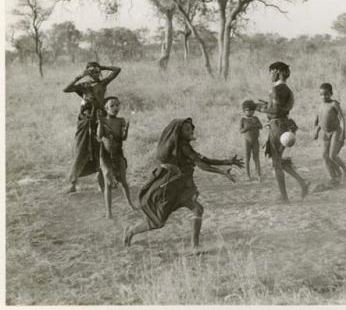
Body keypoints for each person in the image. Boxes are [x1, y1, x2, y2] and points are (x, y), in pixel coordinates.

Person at [124, 118, 243, 249]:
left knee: (198, 209)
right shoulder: (183, 147)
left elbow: (203, 159)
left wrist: (227, 162)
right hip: (171, 188)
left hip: (182, 187)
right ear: (179, 132)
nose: (191, 131)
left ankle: (194, 247)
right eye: (187, 129)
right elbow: (202, 165)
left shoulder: (183, 146)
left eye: (191, 128)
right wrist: (222, 172)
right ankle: (131, 231)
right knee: (158, 222)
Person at [63, 62, 121, 193]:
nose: (94, 74)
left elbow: (117, 70)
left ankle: (102, 182)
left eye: (96, 71)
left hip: (100, 119)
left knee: (101, 150)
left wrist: (103, 67)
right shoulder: (84, 86)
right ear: (87, 73)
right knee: (81, 150)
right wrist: (79, 77)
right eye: (91, 72)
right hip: (85, 121)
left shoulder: (103, 83)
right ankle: (73, 183)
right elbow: (66, 89)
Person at [256, 61, 309, 203]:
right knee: (279, 160)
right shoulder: (287, 89)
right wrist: (268, 105)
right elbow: (281, 109)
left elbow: (276, 111)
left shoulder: (276, 90)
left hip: (277, 126)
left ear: (277, 72)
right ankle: (302, 182)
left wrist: (259, 108)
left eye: (271, 72)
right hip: (284, 125)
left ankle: (284, 197)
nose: (270, 75)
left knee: (276, 163)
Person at [97, 96, 136, 218]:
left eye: (117, 105)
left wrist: (127, 128)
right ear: (106, 108)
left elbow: (123, 138)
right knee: (108, 180)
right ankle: (109, 212)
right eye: (112, 105)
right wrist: (100, 122)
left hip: (118, 154)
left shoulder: (121, 120)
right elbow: (99, 136)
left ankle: (130, 204)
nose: (115, 107)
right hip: (106, 156)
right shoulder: (102, 120)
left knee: (124, 182)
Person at [313, 83, 346, 185]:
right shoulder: (320, 106)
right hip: (325, 133)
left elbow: (342, 119)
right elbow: (320, 120)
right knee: (324, 156)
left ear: (331, 93)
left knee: (332, 156)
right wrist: (316, 131)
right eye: (321, 94)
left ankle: (345, 169)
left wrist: (344, 133)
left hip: (335, 132)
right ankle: (333, 177)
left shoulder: (334, 104)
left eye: (326, 94)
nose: (323, 96)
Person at [240, 100, 263, 181]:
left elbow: (261, 126)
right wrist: (247, 127)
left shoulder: (256, 118)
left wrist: (255, 124)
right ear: (244, 111)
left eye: (252, 110)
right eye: (248, 110)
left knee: (256, 158)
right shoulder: (243, 120)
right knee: (247, 158)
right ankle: (247, 175)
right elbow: (241, 131)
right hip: (247, 141)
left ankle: (258, 174)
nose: (250, 112)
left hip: (255, 141)